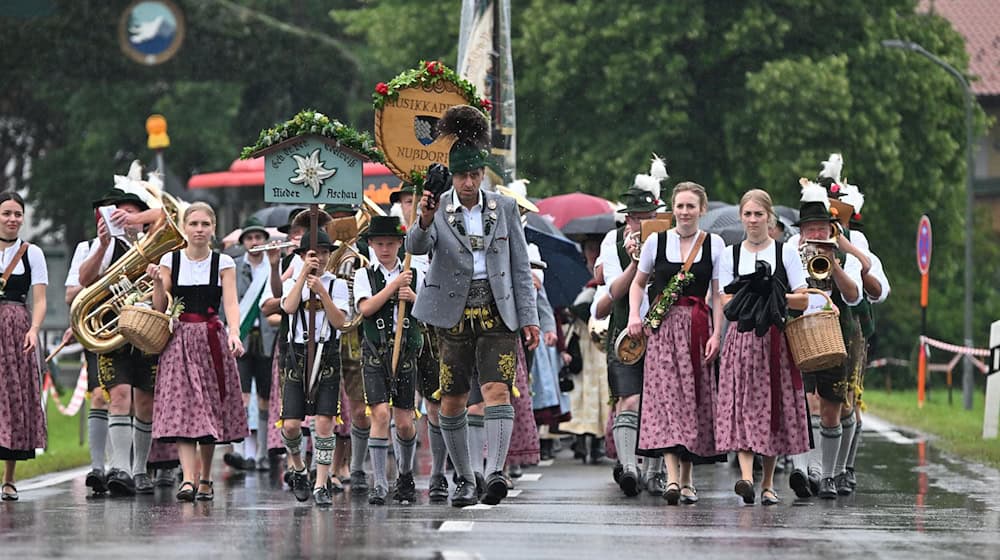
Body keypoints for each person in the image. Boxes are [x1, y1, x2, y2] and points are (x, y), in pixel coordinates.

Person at [406, 105, 540, 507]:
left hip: (498, 310)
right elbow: (414, 248)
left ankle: (495, 472)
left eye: (475, 175)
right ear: (453, 175)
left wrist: (529, 317)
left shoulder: (506, 207)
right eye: (462, 175)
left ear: (483, 174)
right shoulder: (437, 207)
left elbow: (520, 266)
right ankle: (465, 477)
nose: (469, 182)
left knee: (498, 389)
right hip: (451, 313)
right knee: (452, 397)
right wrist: (424, 218)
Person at [627, 182, 726, 505]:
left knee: (692, 401)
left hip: (697, 327)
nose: (684, 212)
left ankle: (687, 479)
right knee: (667, 400)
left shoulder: (714, 244)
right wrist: (634, 316)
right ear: (673, 209)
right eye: (680, 206)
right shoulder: (656, 242)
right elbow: (638, 284)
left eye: (690, 207)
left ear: (702, 210)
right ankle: (671, 477)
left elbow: (719, 293)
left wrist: (716, 333)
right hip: (663, 330)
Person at [716, 189, 811, 506]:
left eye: (759, 214)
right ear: (741, 217)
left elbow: (804, 297)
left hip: (775, 339)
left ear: (769, 218)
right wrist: (751, 294)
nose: (753, 220)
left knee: (771, 409)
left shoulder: (785, 253)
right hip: (742, 339)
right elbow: (726, 300)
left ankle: (768, 483)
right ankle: (745, 477)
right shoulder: (730, 255)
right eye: (748, 214)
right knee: (743, 407)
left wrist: (774, 294)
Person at [150, 202, 248, 502]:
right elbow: (160, 306)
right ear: (184, 227)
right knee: (183, 409)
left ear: (213, 229)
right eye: (193, 224)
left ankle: (205, 477)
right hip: (179, 340)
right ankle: (188, 480)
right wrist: (156, 282)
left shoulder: (223, 263)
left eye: (205, 224)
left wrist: (234, 332)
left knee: (208, 410)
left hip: (210, 339)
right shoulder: (171, 259)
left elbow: (230, 303)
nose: (199, 229)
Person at [77, 167, 165, 497]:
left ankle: (140, 469)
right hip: (112, 335)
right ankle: (121, 469)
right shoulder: (95, 246)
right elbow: (84, 282)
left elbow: (178, 215)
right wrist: (102, 245)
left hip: (145, 332)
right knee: (118, 397)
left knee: (144, 402)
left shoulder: (155, 244)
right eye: (118, 213)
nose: (122, 217)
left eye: (129, 212)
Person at [785, 177, 866, 500]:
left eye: (822, 227)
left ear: (831, 228)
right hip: (801, 335)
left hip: (836, 337)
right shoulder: (790, 251)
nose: (816, 234)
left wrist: (834, 265)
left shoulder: (842, 255)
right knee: (805, 403)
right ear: (801, 231)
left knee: (832, 408)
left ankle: (829, 475)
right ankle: (806, 471)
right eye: (810, 228)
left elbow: (854, 295)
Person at [592, 156, 669, 497]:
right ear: (628, 218)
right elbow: (612, 292)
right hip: (627, 326)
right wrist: (637, 262)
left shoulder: (671, 240)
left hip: (666, 328)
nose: (641, 224)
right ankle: (629, 467)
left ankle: (655, 471)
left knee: (661, 401)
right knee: (630, 399)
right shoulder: (613, 242)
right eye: (637, 218)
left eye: (648, 218)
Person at [352, 215, 422, 504]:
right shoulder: (363, 275)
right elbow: (366, 309)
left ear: (400, 244)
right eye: (379, 244)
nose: (385, 249)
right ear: (370, 244)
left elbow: (428, 310)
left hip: (405, 348)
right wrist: (394, 288)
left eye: (391, 244)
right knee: (380, 414)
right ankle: (379, 482)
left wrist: (413, 296)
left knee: (404, 421)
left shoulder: (413, 272)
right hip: (375, 349)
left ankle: (404, 473)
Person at [279, 228, 349, 506]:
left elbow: (340, 322)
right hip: (297, 353)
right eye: (312, 254)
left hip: (327, 352)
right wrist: (302, 278)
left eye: (323, 253)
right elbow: (288, 307)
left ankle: (321, 482)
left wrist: (322, 292)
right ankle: (297, 466)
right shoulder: (291, 282)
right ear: (301, 256)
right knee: (292, 424)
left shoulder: (337, 284)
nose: (318, 258)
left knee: (324, 421)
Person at [392, 183, 450, 502]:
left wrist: (418, 300)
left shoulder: (437, 238)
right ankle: (404, 473)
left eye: (412, 201)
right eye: (404, 201)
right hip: (400, 332)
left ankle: (439, 474)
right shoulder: (391, 242)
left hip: (432, 332)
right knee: (401, 409)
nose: (409, 206)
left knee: (435, 406)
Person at [0, 192, 48, 501]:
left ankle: (9, 479)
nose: (13, 219)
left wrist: (33, 329)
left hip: (16, 328)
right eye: (6, 213)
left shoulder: (32, 253)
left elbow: (41, 300)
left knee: (14, 397)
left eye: (18, 214)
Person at [227, 217, 278, 472]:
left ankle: (263, 453)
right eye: (250, 238)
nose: (255, 242)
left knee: (265, 399)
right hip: (242, 338)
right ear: (243, 242)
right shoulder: (233, 267)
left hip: (268, 338)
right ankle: (241, 452)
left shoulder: (273, 266)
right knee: (242, 395)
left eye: (258, 238)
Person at [63, 228, 111, 495]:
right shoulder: (87, 247)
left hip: (136, 327)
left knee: (133, 401)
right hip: (98, 330)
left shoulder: (142, 243)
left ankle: (128, 467)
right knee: (99, 396)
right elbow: (71, 295)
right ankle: (97, 468)